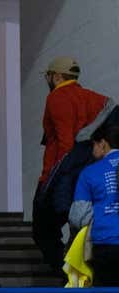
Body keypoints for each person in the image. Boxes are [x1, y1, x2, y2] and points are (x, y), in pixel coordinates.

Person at [34, 57, 113, 272]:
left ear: (57, 76)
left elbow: (64, 143)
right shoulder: (91, 97)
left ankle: (65, 274)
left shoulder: (57, 97)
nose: (48, 80)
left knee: (42, 229)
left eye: (48, 75)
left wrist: (49, 182)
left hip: (60, 172)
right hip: (81, 173)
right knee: (77, 226)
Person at [70, 126, 119, 293]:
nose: (92, 150)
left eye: (93, 145)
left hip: (106, 244)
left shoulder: (90, 172)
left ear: (104, 143)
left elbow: (78, 216)